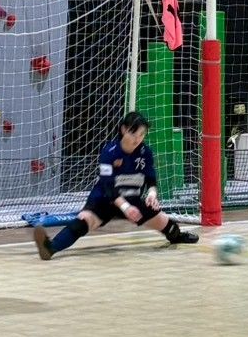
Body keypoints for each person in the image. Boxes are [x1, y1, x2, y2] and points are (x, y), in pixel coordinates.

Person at [33, 111, 199, 259]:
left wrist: (151, 194)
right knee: (83, 221)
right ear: (124, 129)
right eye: (134, 133)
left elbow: (151, 178)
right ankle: (50, 248)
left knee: (165, 222)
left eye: (142, 134)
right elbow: (108, 186)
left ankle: (177, 237)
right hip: (105, 199)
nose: (137, 139)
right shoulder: (109, 151)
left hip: (132, 199)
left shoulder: (145, 153)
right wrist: (125, 208)